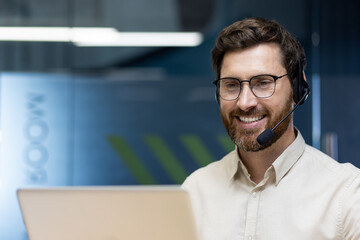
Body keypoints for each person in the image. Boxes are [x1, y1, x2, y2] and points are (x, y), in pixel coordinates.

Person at [182, 17, 360, 240]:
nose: (245, 102)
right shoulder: (194, 191)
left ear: (297, 88)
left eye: (263, 83)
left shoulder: (347, 196)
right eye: (231, 85)